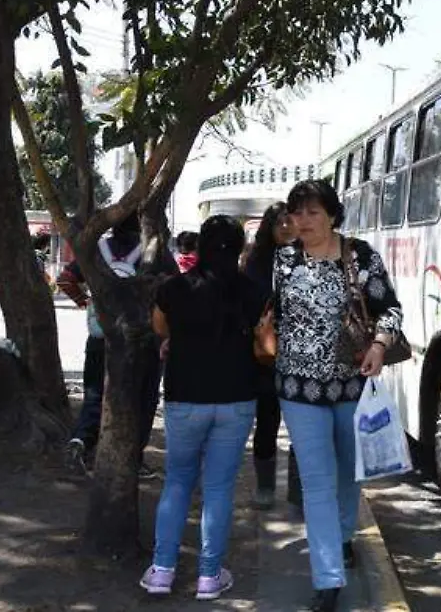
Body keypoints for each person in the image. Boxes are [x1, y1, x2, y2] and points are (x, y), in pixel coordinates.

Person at [274, 180, 403, 612]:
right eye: (296, 213)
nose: (303, 221)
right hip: (297, 389)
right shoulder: (284, 259)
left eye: (312, 212)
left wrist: (380, 345)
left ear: (332, 215)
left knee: (349, 473)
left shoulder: (360, 255)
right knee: (316, 480)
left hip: (351, 386)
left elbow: (390, 308)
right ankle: (328, 578)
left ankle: (343, 536)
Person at [139, 215, 266, 600]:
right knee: (219, 487)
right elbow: (265, 340)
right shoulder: (253, 291)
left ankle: (162, 571)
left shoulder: (174, 288)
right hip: (237, 399)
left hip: (185, 398)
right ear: (241, 247)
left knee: (177, 481)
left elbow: (160, 328)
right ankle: (210, 576)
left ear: (201, 248)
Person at [59, 214, 162, 479]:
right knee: (141, 399)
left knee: (94, 395)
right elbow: (168, 288)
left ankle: (80, 443)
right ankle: (134, 459)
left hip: (99, 335)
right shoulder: (151, 252)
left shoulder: (95, 251)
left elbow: (64, 280)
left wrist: (86, 302)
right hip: (139, 339)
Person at [241, 202, 295, 508]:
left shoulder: (309, 256)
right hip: (267, 357)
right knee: (268, 422)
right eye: (280, 222)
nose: (287, 227)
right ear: (269, 227)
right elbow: (248, 304)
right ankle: (265, 486)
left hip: (304, 356)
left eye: (291, 221)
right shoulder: (256, 262)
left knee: (305, 426)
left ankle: (299, 489)